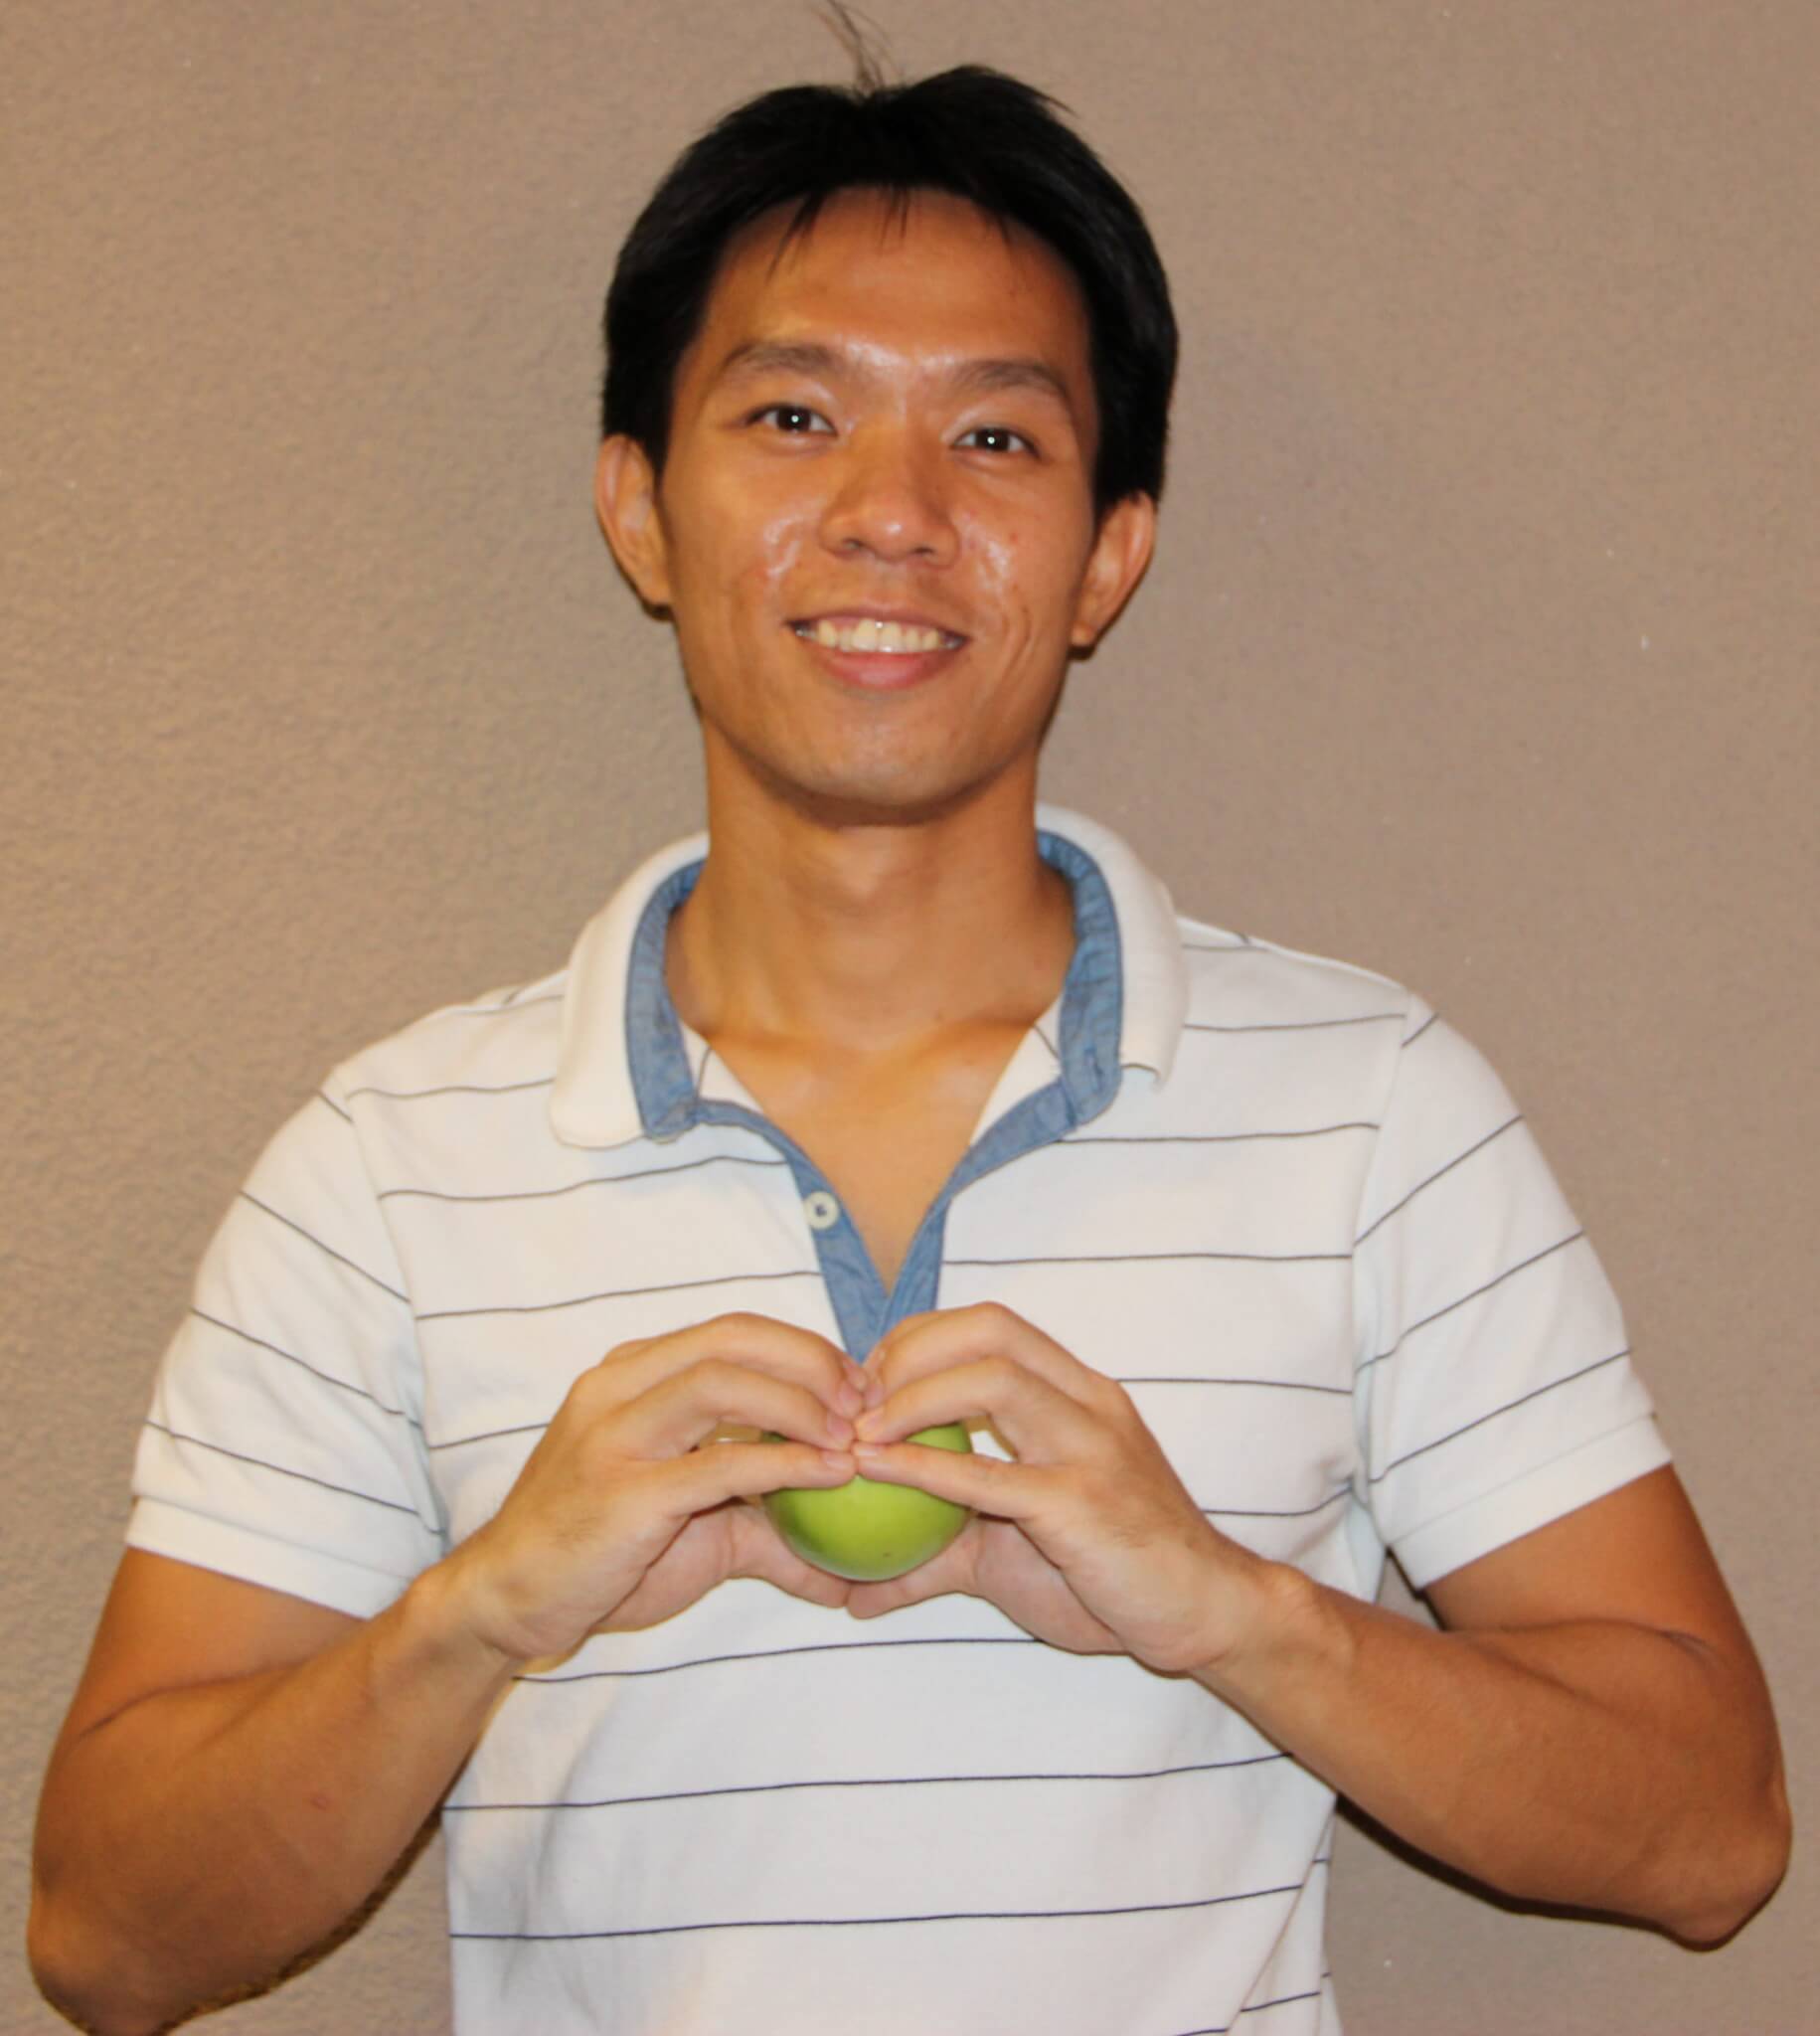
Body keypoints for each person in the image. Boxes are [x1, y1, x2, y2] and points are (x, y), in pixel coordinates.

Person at [30, 59, 1788, 2036]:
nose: (892, 515)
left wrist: (1226, 1608)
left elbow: (1709, 1835)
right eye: (793, 416)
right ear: (640, 511)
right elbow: (105, 1938)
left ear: (1109, 552)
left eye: (996, 436)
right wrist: (485, 1606)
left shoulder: (1375, 1110)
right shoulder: (384, 1167)